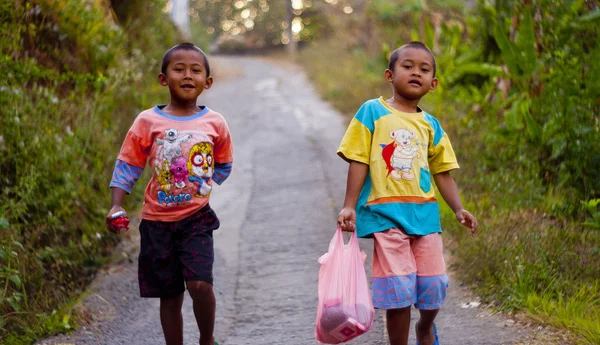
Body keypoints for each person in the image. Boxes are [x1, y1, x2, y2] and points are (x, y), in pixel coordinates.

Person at [336, 41, 477, 345]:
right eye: (408, 66)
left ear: (433, 83)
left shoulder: (431, 125)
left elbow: (442, 172)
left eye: (424, 69)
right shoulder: (372, 111)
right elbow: (358, 159)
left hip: (425, 217)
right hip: (385, 215)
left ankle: (425, 327)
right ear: (389, 75)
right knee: (398, 290)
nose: (416, 72)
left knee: (433, 285)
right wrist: (349, 205)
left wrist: (458, 209)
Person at [105, 42, 233, 345]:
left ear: (207, 82)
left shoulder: (215, 122)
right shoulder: (147, 121)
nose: (187, 75)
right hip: (156, 224)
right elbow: (128, 165)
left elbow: (224, 163)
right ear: (164, 79)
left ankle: (206, 340)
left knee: (201, 285)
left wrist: (200, 184)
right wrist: (115, 206)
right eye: (179, 69)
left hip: (197, 219)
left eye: (195, 70)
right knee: (170, 295)